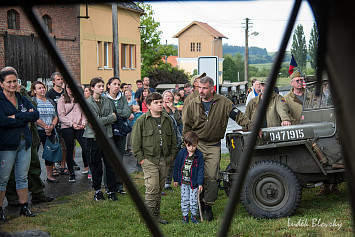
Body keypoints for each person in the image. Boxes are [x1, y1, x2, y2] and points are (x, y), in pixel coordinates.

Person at [183, 76, 251, 221]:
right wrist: (187, 146)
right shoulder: (192, 104)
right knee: (195, 175)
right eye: (199, 88)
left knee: (212, 177)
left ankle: (208, 205)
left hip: (213, 145)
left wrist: (252, 126)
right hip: (196, 144)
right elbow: (187, 127)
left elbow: (239, 116)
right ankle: (196, 204)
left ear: (212, 88)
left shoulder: (224, 102)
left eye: (204, 88)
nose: (201, 91)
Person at [132, 92, 178, 224]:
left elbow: (174, 139)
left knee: (159, 188)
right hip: (149, 159)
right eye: (156, 103)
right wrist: (141, 159)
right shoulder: (141, 121)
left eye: (160, 102)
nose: (160, 105)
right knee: (152, 187)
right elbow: (135, 142)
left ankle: (156, 215)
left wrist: (172, 155)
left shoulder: (167, 119)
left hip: (165, 159)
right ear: (148, 105)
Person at [0, 69, 39, 221]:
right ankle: (0, 211)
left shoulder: (22, 98)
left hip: (25, 144)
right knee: (2, 179)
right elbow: (2, 121)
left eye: (14, 81)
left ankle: (24, 207)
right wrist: (24, 118)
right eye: (9, 81)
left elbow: (35, 115)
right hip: (7, 146)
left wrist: (16, 116)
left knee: (22, 177)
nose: (12, 84)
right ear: (1, 84)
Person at [83, 77, 118, 201]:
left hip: (107, 135)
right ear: (92, 88)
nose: (102, 88)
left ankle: (111, 191)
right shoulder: (88, 103)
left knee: (110, 165)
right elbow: (96, 121)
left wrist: (104, 119)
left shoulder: (107, 101)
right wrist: (109, 118)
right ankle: (97, 191)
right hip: (93, 137)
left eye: (103, 86)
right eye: (99, 86)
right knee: (95, 164)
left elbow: (115, 115)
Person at [104, 77, 131, 195]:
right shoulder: (104, 98)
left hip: (121, 131)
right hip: (108, 131)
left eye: (118, 84)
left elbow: (127, 113)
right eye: (114, 84)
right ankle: (108, 186)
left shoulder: (123, 98)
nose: (116, 86)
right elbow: (104, 113)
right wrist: (115, 114)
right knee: (109, 160)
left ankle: (119, 186)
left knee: (119, 159)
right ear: (108, 85)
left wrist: (115, 112)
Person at [57, 83, 88, 182]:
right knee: (70, 149)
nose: (70, 89)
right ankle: (71, 173)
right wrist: (72, 124)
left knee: (85, 147)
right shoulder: (61, 100)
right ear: (65, 88)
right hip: (67, 127)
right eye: (68, 87)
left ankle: (87, 168)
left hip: (79, 126)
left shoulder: (79, 99)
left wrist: (83, 123)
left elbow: (84, 113)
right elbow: (61, 116)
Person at [32, 81, 60, 183]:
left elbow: (55, 116)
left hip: (50, 131)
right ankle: (34, 178)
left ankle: (49, 176)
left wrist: (51, 127)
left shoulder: (50, 101)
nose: (42, 90)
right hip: (38, 132)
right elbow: (34, 117)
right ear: (34, 91)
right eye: (39, 88)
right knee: (34, 155)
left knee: (49, 154)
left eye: (43, 87)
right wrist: (45, 127)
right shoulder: (33, 101)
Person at [173, 131, 204, 224]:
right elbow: (177, 166)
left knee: (193, 200)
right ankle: (185, 216)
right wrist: (175, 179)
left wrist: (200, 183)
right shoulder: (181, 153)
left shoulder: (199, 155)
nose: (191, 148)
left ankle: (194, 216)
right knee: (185, 199)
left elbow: (200, 170)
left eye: (194, 146)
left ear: (197, 144)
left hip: (193, 183)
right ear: (185, 144)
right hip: (183, 182)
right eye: (189, 146)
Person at [45, 72, 68, 175]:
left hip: (65, 123)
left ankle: (63, 166)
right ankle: (53, 166)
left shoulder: (65, 92)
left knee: (64, 146)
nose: (61, 81)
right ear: (53, 81)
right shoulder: (49, 94)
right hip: (53, 123)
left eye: (62, 79)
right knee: (54, 145)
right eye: (58, 79)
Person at [162, 90, 183, 191]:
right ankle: (161, 182)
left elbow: (179, 121)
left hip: (174, 139)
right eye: (166, 96)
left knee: (172, 162)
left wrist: (173, 109)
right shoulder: (160, 110)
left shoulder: (174, 109)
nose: (168, 98)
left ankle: (168, 183)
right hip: (163, 139)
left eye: (170, 96)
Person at [124, 89, 137, 154]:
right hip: (126, 119)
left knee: (132, 134)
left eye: (128, 93)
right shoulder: (124, 101)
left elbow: (136, 108)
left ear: (131, 93)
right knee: (126, 134)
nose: (127, 94)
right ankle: (125, 148)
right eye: (126, 93)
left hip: (133, 119)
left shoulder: (134, 101)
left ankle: (130, 147)